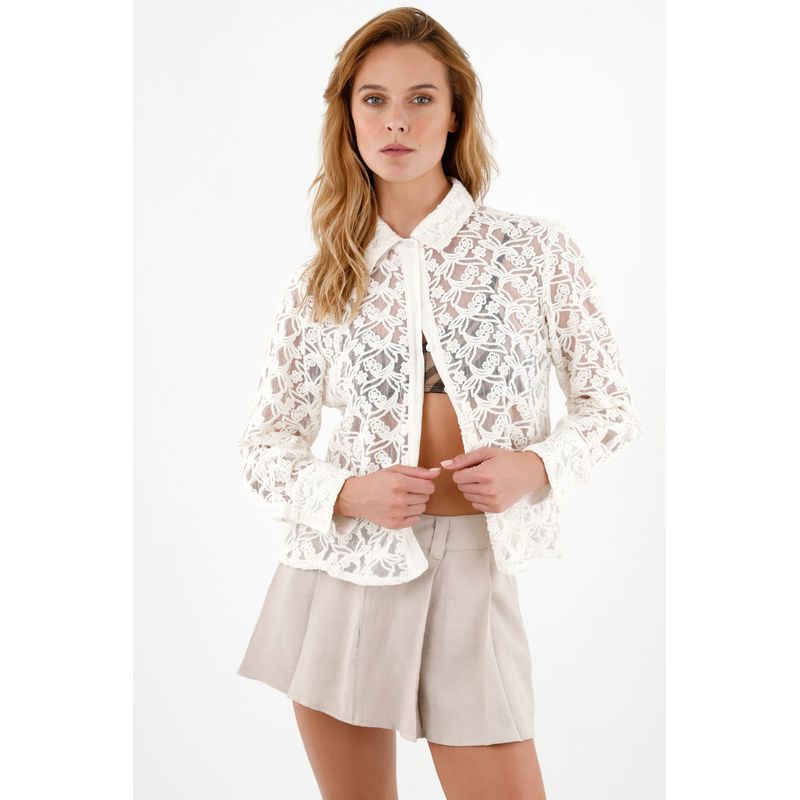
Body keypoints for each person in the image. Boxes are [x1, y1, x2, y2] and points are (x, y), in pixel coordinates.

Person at [236, 7, 642, 799]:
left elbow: (611, 406)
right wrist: (348, 492)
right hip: (344, 568)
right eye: (375, 99)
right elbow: (264, 445)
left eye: (421, 98)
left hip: (473, 563)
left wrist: (535, 466)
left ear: (456, 113)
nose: (397, 120)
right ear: (349, 116)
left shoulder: (535, 252)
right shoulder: (321, 280)